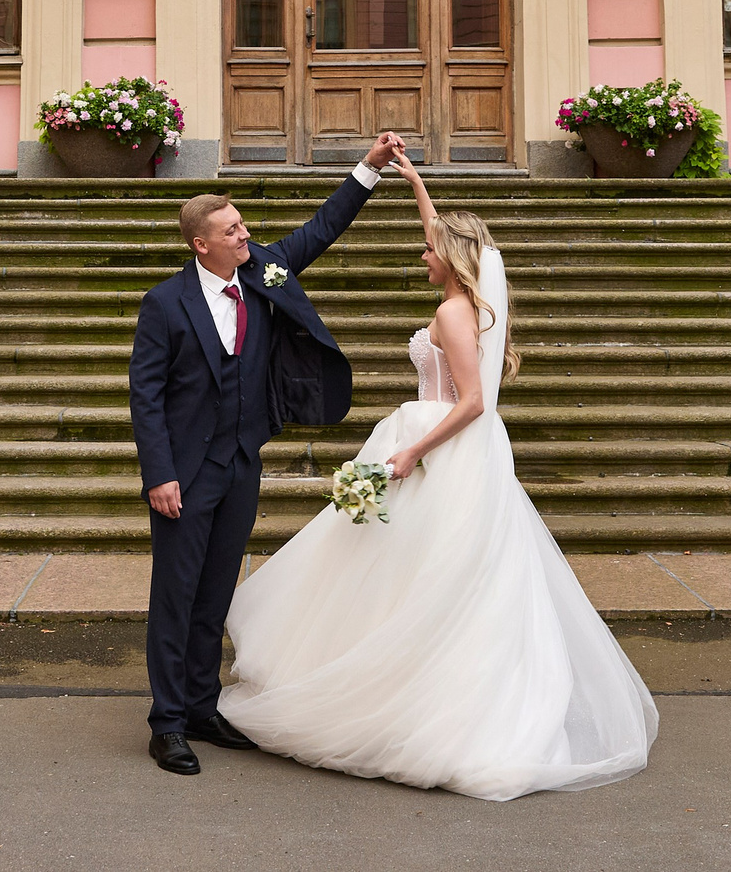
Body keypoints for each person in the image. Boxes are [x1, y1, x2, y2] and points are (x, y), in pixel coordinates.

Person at [214, 153, 659, 802]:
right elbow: (440, 236)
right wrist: (412, 179)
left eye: (430, 249)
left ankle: (425, 708)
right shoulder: (466, 300)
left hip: (439, 445)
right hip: (450, 446)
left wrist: (409, 452)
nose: (422, 253)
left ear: (451, 256)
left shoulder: (452, 314)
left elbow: (472, 401)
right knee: (434, 575)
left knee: (422, 576)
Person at [129, 131, 404, 776]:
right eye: (231, 230)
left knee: (216, 592)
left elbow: (323, 227)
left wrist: (367, 168)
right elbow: (146, 395)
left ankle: (202, 707)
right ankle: (167, 723)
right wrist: (159, 475)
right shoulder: (165, 304)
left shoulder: (264, 271)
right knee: (176, 596)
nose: (245, 235)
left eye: (243, 225)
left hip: (239, 465)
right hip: (184, 474)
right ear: (201, 244)